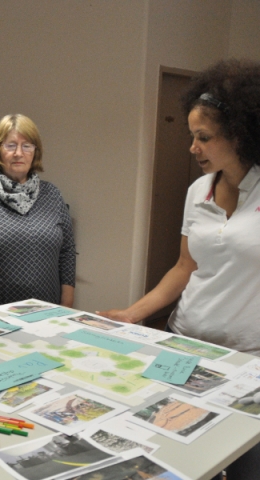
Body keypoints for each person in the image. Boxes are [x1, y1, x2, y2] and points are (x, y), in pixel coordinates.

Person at [98, 59, 260, 479]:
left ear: (239, 134)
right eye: (192, 136)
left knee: (243, 463)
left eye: (203, 137)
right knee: (170, 454)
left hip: (247, 358)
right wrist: (132, 313)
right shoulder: (197, 191)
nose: (193, 148)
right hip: (184, 343)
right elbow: (185, 266)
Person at [0, 114, 76, 308]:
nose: (19, 153)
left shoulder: (52, 194)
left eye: (27, 146)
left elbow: (67, 253)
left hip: (47, 315)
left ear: (35, 151)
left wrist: (66, 308)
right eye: (10, 145)